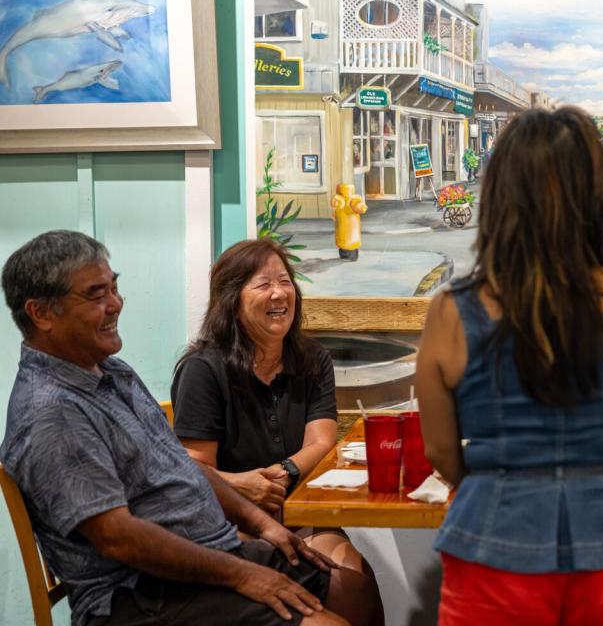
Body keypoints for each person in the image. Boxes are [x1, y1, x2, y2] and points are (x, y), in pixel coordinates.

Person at [0, 230, 374, 626]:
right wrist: (244, 573)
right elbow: (118, 537)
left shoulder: (111, 372)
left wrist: (263, 524)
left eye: (114, 288)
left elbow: (180, 464)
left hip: (207, 555)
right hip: (136, 593)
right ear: (41, 313)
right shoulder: (52, 413)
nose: (116, 304)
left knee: (352, 589)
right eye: (96, 295)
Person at [415, 107, 603, 626]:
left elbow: (440, 450)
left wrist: (494, 481)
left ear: (498, 196)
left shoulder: (452, 309)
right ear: (595, 197)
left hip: (493, 536)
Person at [170, 237, 383, 623]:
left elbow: (321, 440)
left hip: (302, 515)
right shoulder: (204, 369)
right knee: (339, 588)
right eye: (263, 284)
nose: (279, 293)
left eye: (285, 281)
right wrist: (242, 485)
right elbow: (192, 468)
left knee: (355, 582)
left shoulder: (312, 358)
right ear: (232, 300)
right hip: (232, 526)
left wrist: (285, 472)